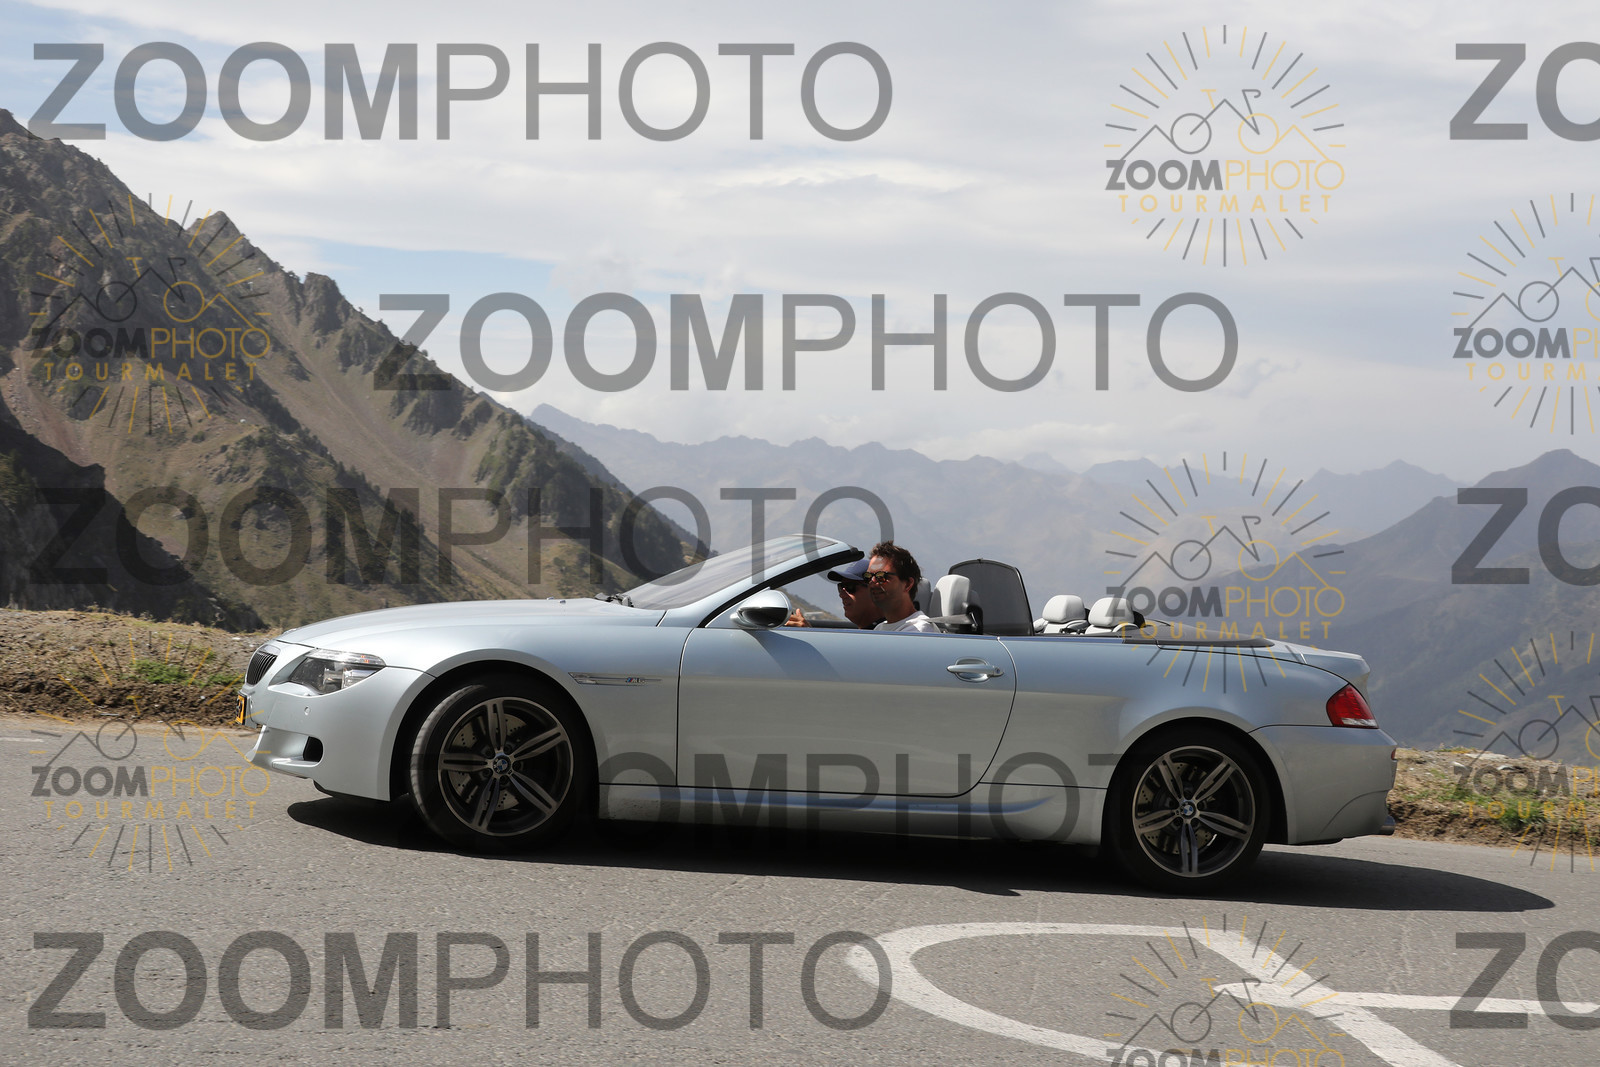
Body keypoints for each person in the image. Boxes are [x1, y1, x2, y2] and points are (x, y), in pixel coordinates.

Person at [785, 557, 885, 629]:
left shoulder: (885, 635)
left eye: (850, 587)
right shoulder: (867, 635)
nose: (841, 595)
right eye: (841, 587)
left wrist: (809, 635)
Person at [865, 540, 939, 632]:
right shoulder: (879, 628)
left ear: (907, 584)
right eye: (868, 577)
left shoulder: (920, 630)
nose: (872, 583)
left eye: (881, 577)